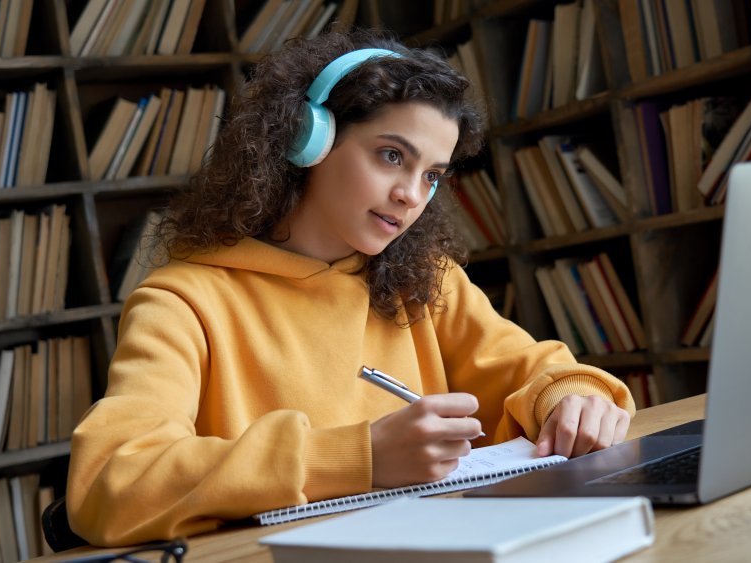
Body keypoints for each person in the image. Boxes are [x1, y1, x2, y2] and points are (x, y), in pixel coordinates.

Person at [67, 30, 635, 546]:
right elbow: (112, 483)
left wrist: (570, 399)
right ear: (306, 141)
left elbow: (533, 368)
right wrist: (357, 458)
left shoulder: (427, 281)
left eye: (431, 175)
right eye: (392, 156)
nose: (412, 195)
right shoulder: (183, 303)